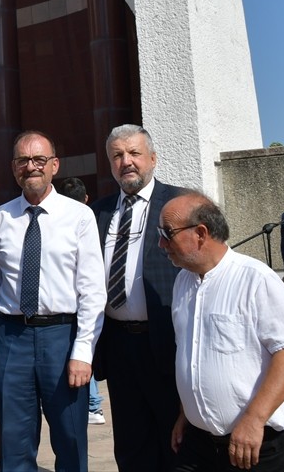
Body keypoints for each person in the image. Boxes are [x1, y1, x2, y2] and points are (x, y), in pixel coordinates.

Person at [160, 192, 284, 472]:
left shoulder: (256, 279)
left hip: (257, 447)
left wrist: (253, 419)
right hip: (198, 445)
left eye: (167, 233)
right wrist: (185, 414)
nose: (161, 243)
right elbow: (191, 355)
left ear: (200, 233)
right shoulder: (183, 282)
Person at [0, 130, 105, 472]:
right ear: (13, 168)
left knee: (70, 437)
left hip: (61, 337)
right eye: (23, 161)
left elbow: (92, 289)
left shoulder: (79, 217)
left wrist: (83, 352)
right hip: (12, 337)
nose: (31, 167)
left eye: (39, 160)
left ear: (54, 165)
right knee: (15, 439)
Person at [91, 124, 189, 471]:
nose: (126, 162)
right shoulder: (98, 213)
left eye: (133, 153)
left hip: (167, 343)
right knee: (132, 446)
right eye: (117, 155)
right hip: (119, 347)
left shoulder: (179, 204)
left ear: (153, 158)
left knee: (177, 445)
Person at [59, 176, 106, 427]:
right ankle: (94, 404)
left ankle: (94, 405)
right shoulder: (91, 216)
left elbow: (92, 281)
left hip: (78, 314)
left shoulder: (85, 219)